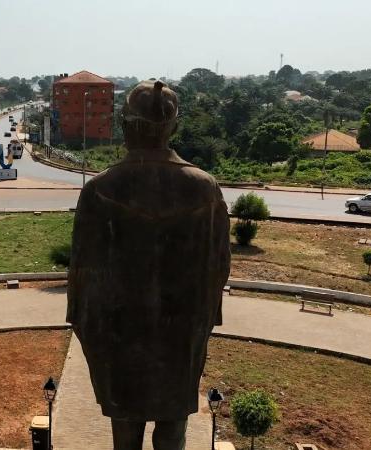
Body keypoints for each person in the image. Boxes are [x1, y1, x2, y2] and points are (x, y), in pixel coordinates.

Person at [67, 80, 231, 450]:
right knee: (173, 431)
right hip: (181, 336)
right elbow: (219, 270)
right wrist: (200, 327)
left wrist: (90, 336)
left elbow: (82, 280)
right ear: (174, 127)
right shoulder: (205, 188)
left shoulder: (100, 189)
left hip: (120, 337)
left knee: (126, 434)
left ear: (125, 126)